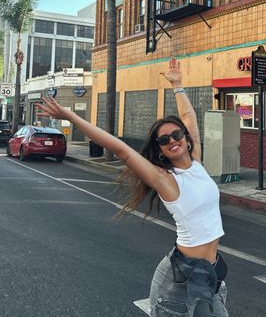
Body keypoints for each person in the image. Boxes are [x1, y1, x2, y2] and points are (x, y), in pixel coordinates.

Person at [36, 58, 228, 317]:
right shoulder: (166, 180)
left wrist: (178, 85)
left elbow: (188, 116)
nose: (172, 140)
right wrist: (69, 115)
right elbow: (120, 149)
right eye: (164, 139)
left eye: (177, 135)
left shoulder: (197, 164)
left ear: (186, 139)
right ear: (160, 150)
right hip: (180, 279)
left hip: (212, 274)